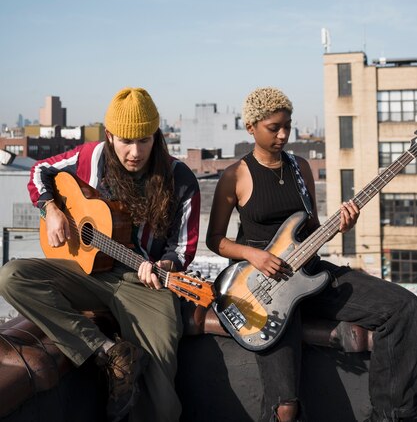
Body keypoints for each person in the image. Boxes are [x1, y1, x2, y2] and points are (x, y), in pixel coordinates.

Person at [206, 86, 417, 422]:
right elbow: (215, 240)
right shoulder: (235, 176)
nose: (283, 135)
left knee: (403, 307)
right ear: (251, 127)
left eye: (287, 126)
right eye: (273, 128)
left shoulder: (301, 167)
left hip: (311, 275)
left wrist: (342, 225)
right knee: (286, 408)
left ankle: (390, 415)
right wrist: (254, 255)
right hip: (265, 293)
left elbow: (313, 227)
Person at [0, 87, 201, 422]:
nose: (134, 151)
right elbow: (40, 172)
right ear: (109, 136)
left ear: (157, 137)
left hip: (144, 285)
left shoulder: (180, 178)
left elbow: (183, 246)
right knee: (12, 276)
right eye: (125, 140)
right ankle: (108, 352)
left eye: (144, 140)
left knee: (162, 404)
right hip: (85, 271)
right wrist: (51, 209)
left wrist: (165, 265)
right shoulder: (90, 157)